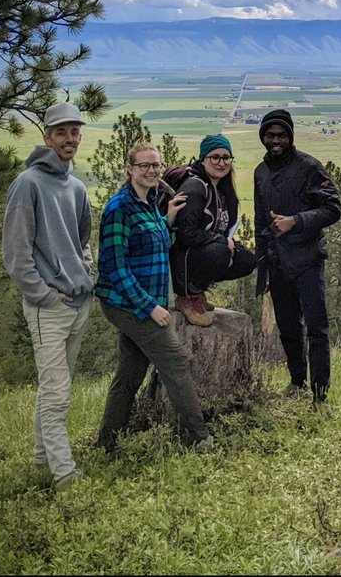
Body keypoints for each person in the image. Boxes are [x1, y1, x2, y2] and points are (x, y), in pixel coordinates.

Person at [2, 101, 96, 491]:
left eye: (75, 132)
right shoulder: (28, 184)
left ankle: (42, 457)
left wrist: (86, 273)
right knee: (57, 393)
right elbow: (15, 254)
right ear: (47, 137)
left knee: (54, 385)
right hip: (49, 308)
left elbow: (83, 240)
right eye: (61, 132)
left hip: (79, 302)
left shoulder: (76, 186)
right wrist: (44, 295)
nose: (69, 139)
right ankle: (64, 475)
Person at [95, 142, 213, 452]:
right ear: (129, 169)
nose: (151, 171)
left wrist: (168, 220)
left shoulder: (148, 202)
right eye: (144, 165)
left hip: (147, 300)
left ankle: (107, 441)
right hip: (127, 303)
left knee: (130, 373)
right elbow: (115, 267)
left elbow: (153, 241)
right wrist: (150, 308)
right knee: (176, 362)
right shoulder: (119, 208)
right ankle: (199, 439)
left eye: (155, 165)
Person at [254, 109, 341, 406]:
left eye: (281, 135)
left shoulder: (309, 167)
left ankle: (320, 396)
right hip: (277, 261)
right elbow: (260, 220)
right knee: (288, 328)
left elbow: (333, 209)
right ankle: (296, 383)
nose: (276, 141)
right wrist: (261, 263)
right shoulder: (260, 172)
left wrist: (296, 221)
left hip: (307, 259)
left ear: (290, 136)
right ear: (263, 137)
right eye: (270, 135)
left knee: (317, 329)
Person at [169, 134, 257, 327]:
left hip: (203, 251)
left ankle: (198, 290)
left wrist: (228, 243)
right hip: (182, 258)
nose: (221, 163)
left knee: (247, 260)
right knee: (220, 252)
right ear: (203, 159)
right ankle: (187, 296)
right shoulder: (195, 188)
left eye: (226, 157)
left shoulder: (222, 190)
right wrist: (222, 242)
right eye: (214, 157)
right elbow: (186, 234)